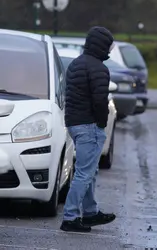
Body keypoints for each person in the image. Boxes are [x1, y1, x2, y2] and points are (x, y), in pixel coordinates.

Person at [60, 26, 116, 232]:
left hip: (74, 123)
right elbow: (100, 101)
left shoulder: (76, 64)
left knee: (88, 172)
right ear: (102, 45)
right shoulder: (99, 68)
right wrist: (101, 123)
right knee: (84, 173)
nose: (110, 50)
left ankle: (90, 212)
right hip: (89, 125)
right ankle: (70, 217)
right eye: (109, 45)